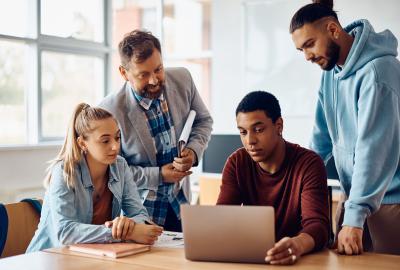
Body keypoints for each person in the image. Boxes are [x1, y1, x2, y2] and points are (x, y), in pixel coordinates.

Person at [290, 0, 400, 255]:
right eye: (301, 50)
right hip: (353, 199)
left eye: (309, 44)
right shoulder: (331, 73)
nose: (307, 56)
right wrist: (298, 184)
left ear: (332, 29)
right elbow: (321, 140)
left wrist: (355, 216)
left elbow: (373, 151)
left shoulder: (378, 72)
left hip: (390, 202)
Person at [99, 30, 213, 232]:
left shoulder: (183, 79)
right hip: (140, 214)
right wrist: (159, 175)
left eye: (158, 69)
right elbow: (113, 172)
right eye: (143, 74)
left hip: (181, 203)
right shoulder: (109, 110)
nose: (154, 80)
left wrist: (194, 152)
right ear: (124, 73)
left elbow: (203, 120)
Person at [27, 103, 163, 252]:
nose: (115, 147)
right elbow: (65, 232)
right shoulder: (64, 171)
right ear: (82, 143)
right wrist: (121, 233)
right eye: (105, 141)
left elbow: (139, 214)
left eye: (117, 137)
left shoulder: (120, 165)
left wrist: (127, 224)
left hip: (90, 256)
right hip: (48, 258)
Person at [217, 91, 329, 265]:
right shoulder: (237, 162)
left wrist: (297, 244)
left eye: (258, 130)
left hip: (301, 261)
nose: (250, 141)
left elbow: (318, 227)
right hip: (256, 259)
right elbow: (222, 218)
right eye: (243, 132)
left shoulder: (309, 164)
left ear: (279, 126)